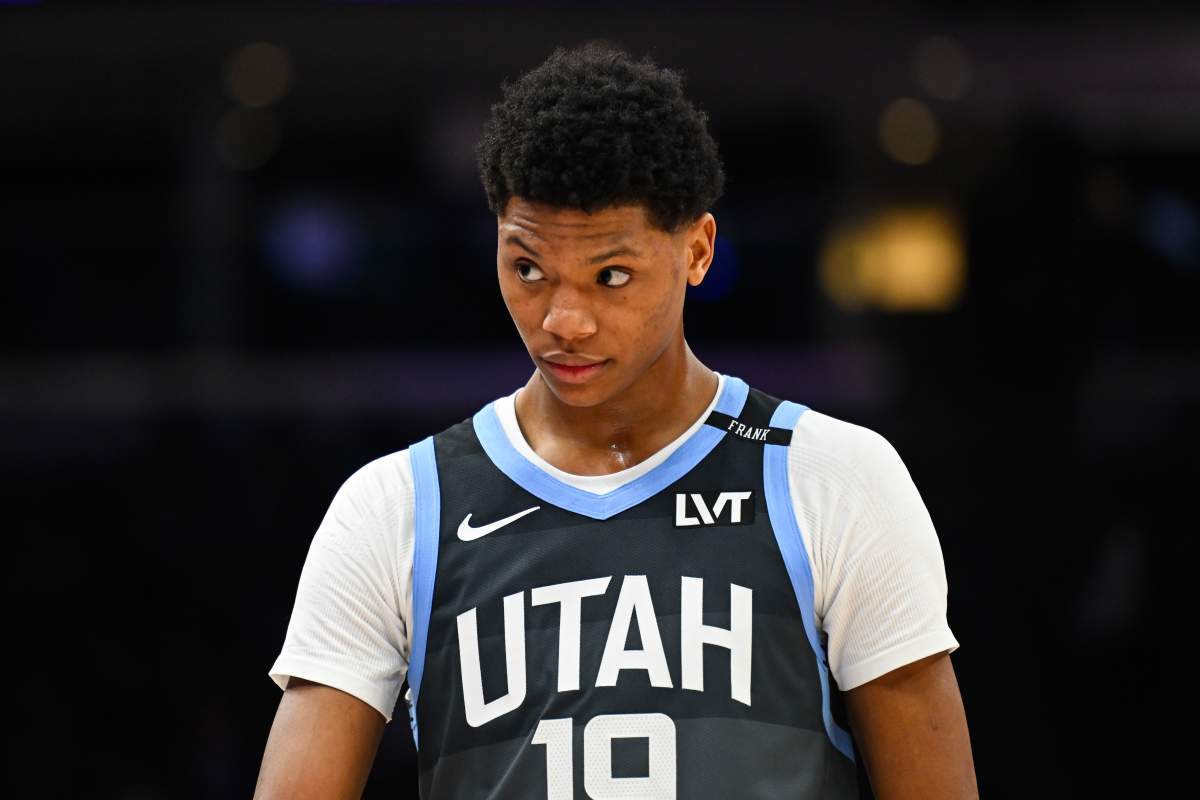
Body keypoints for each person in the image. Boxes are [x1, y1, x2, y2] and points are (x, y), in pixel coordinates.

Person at [254, 42, 977, 800]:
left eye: (611, 275)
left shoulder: (832, 477)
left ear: (697, 251)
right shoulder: (395, 507)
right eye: (528, 269)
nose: (563, 320)